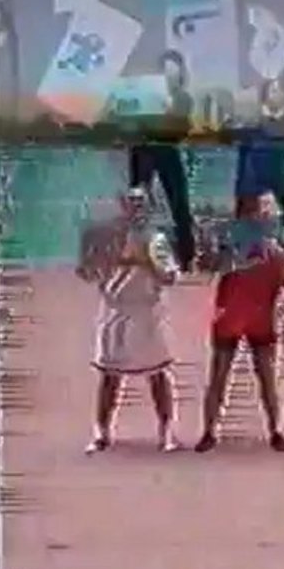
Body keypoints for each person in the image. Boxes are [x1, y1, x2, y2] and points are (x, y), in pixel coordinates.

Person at [194, 190, 284, 453]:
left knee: (253, 376)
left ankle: (269, 430)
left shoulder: (265, 249)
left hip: (250, 316)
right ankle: (217, 430)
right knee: (230, 375)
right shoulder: (247, 247)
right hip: (239, 316)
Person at [77, 187, 180, 453]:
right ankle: (101, 431)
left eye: (141, 203)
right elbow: (87, 272)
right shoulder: (106, 237)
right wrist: (92, 261)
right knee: (109, 376)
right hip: (115, 311)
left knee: (158, 374)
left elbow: (170, 276)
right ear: (122, 205)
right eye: (131, 203)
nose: (136, 208)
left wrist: (146, 262)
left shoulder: (156, 239)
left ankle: (167, 431)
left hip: (146, 312)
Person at [128, 49, 196, 271]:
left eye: (174, 73)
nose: (169, 77)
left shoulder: (184, 99)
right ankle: (136, 255)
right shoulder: (145, 94)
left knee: (179, 203)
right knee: (138, 203)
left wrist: (165, 115)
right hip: (143, 150)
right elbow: (133, 122)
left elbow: (182, 129)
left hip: (168, 149)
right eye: (165, 72)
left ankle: (187, 257)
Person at [235, 78, 284, 227]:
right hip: (254, 187)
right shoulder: (253, 129)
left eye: (279, 90)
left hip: (274, 181)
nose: (277, 94)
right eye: (273, 90)